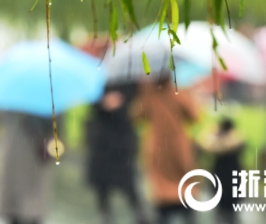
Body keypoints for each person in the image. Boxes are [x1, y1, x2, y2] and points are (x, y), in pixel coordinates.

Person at [132, 76, 199, 224]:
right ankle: (186, 209)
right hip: (179, 147)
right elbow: (194, 116)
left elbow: (136, 116)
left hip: (158, 147)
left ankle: (164, 212)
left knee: (161, 184)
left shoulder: (150, 95)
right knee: (183, 180)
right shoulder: (180, 93)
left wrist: (143, 92)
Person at [86, 83, 149, 224]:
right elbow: (91, 100)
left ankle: (140, 214)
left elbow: (139, 100)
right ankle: (105, 215)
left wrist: (122, 99)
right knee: (101, 183)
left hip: (122, 136)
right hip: (102, 138)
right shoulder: (99, 75)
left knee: (129, 181)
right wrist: (103, 101)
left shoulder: (132, 78)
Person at [0, 112, 55, 224]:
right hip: (30, 155)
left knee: (19, 208)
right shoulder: (49, 102)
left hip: (19, 153)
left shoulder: (10, 101)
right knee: (30, 208)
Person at [197, 117, 245, 224]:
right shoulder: (236, 138)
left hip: (227, 177)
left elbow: (208, 146)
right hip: (228, 178)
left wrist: (215, 135)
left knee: (228, 211)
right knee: (226, 211)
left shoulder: (234, 139)